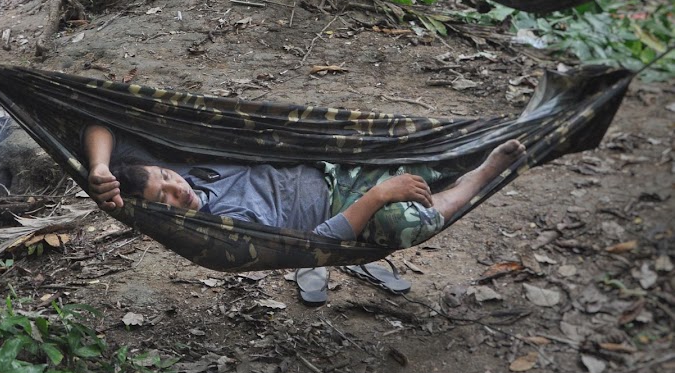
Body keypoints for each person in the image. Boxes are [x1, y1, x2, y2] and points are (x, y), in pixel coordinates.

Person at [82, 124, 526, 249]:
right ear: (160, 214)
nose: (178, 190)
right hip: (351, 204)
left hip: (334, 165)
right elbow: (318, 242)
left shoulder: (188, 170)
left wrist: (100, 167)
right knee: (403, 224)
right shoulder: (219, 232)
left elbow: (99, 122)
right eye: (166, 199)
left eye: (168, 180)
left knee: (428, 146)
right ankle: (480, 176)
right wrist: (379, 196)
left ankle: (520, 128)